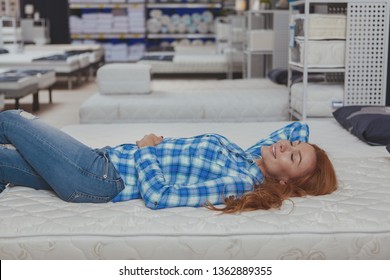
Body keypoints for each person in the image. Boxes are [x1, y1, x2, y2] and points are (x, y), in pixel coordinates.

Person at [0, 109, 337, 213]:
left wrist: (146, 148)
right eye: (292, 144)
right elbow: (297, 127)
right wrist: (302, 151)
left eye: (293, 156)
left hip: (100, 177)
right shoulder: (251, 155)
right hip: (100, 159)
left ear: (284, 182)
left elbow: (161, 196)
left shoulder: (241, 182)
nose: (284, 145)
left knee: (12, 119)